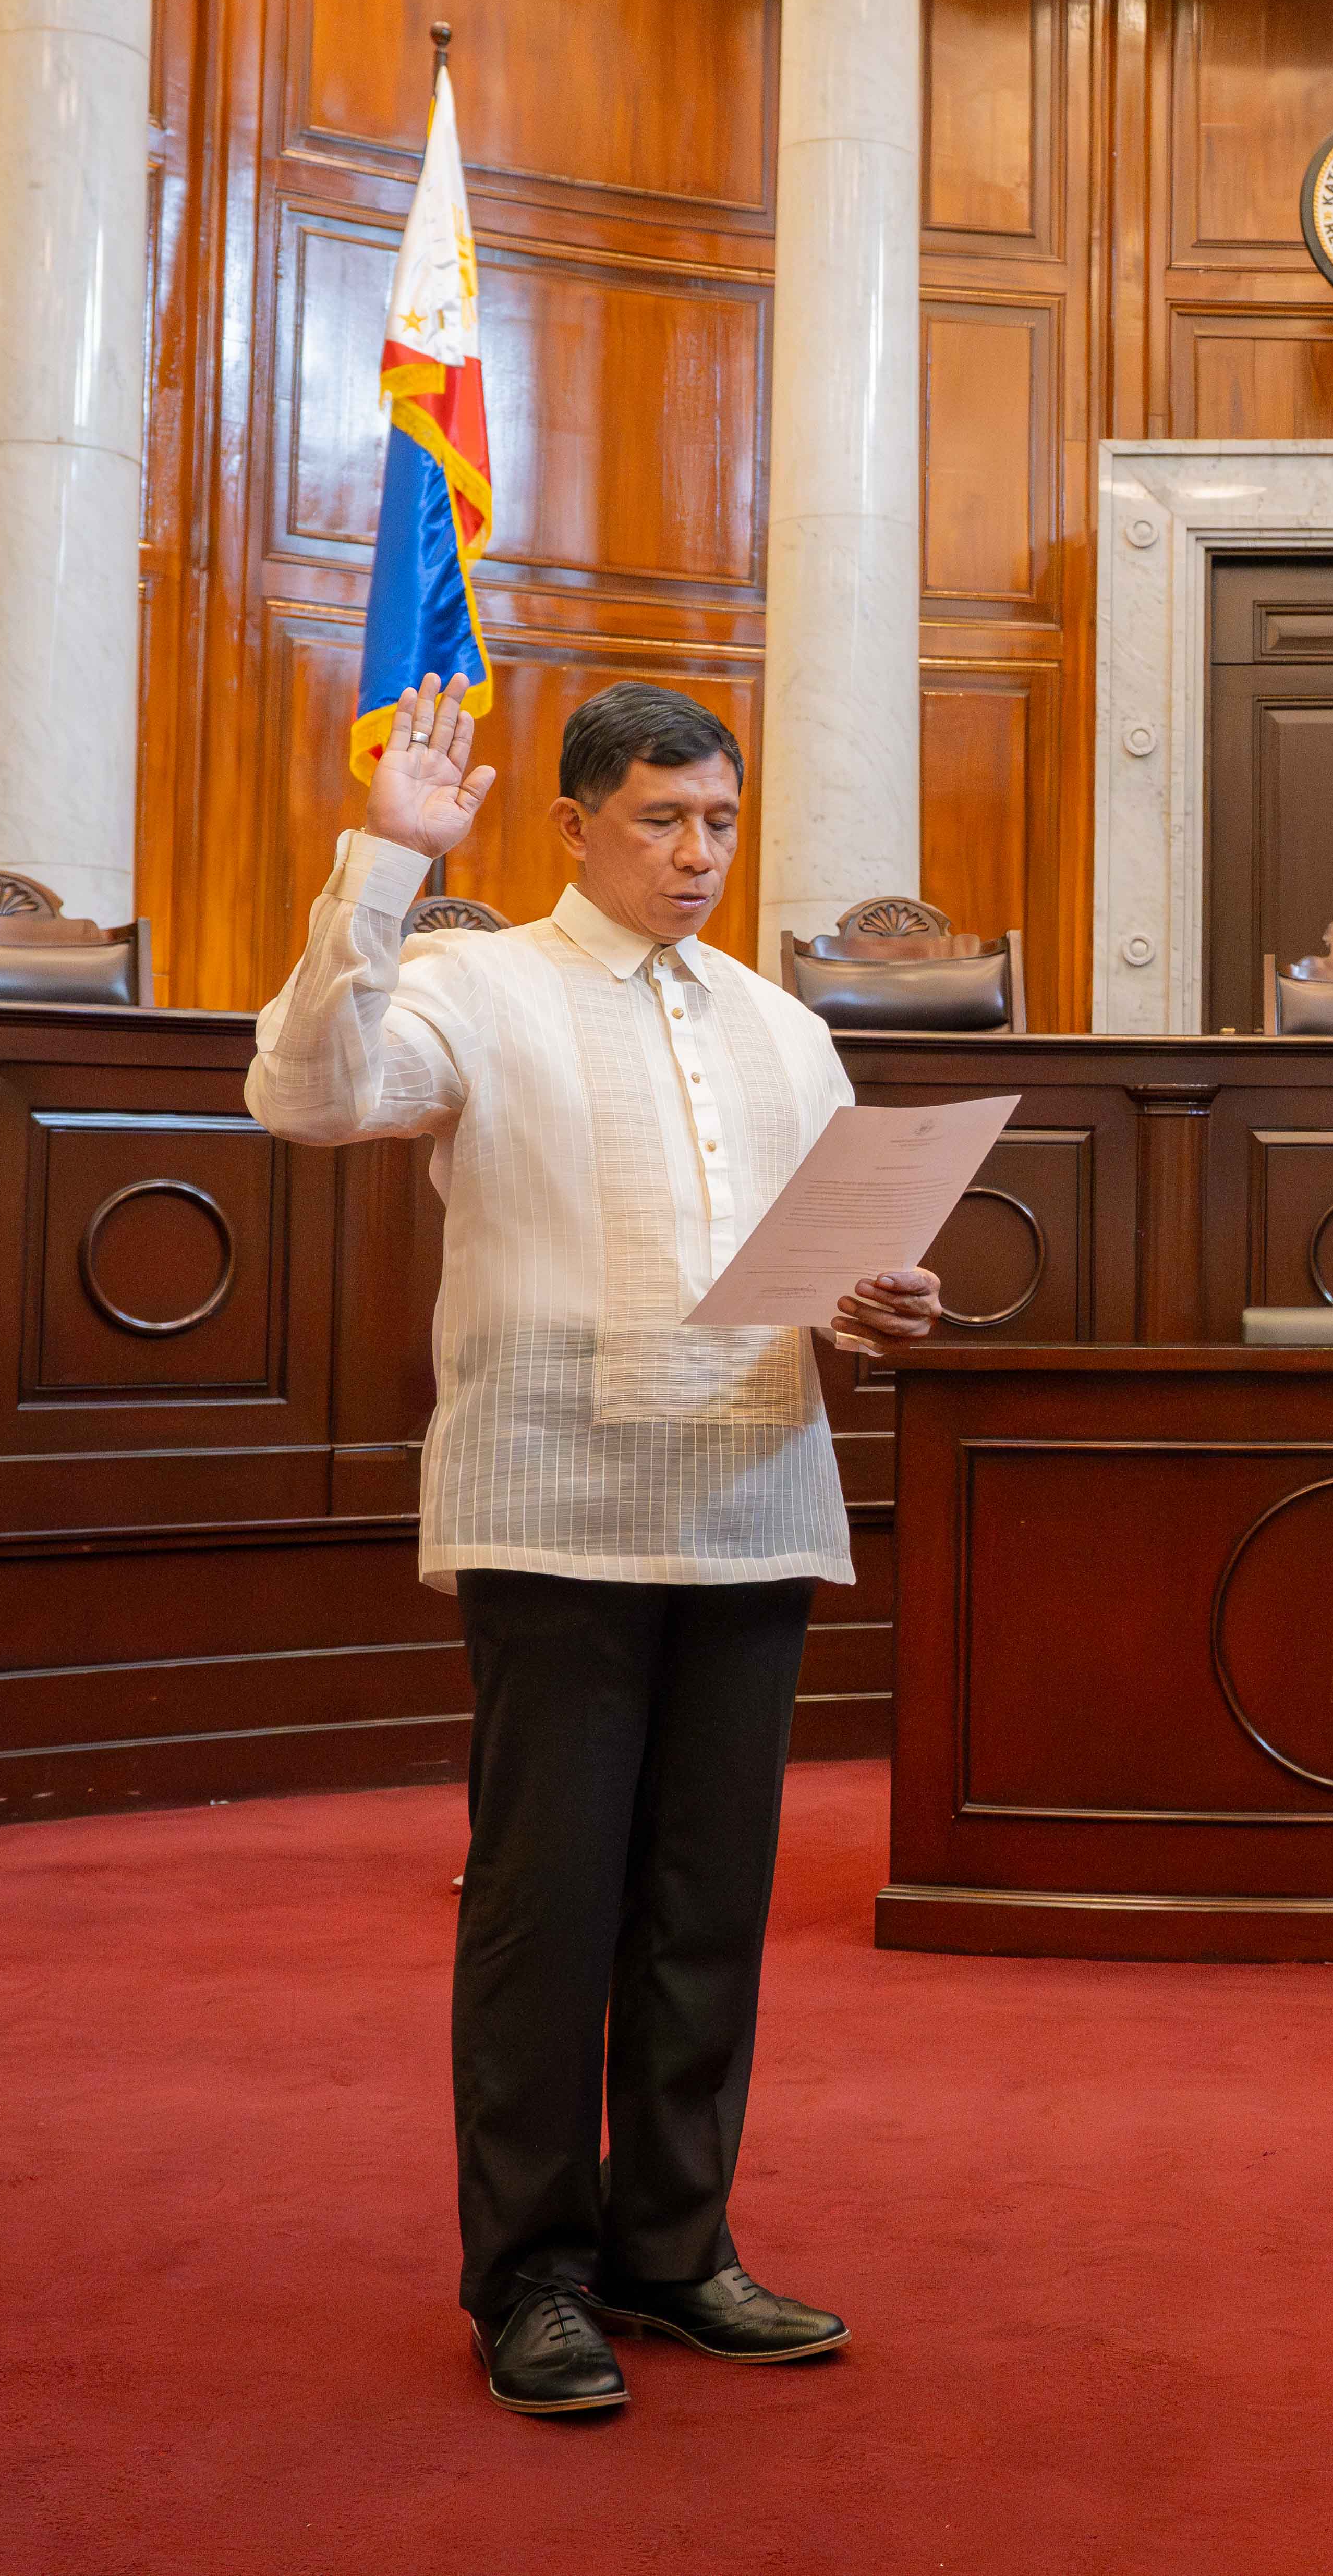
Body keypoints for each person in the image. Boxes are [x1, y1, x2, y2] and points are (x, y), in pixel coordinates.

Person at [248, 673, 942, 2418]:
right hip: (558, 1507)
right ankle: (529, 2278)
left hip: (751, 1498)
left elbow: (823, 1262)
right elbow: (307, 1097)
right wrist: (384, 865)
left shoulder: (786, 1026)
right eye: (660, 820)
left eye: (717, 819)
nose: (698, 854)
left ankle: (675, 2249)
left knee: (707, 1914)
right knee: (549, 1913)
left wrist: (882, 1308)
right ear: (572, 825)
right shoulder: (476, 985)